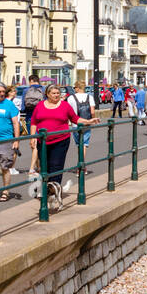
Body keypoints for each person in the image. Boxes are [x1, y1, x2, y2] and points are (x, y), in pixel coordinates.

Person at [29, 83, 99, 211]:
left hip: (60, 141)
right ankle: (46, 190)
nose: (57, 95)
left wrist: (88, 121)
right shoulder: (40, 105)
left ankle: (52, 194)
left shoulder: (65, 105)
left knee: (56, 167)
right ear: (47, 94)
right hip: (43, 141)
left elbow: (75, 119)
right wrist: (33, 137)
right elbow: (34, 122)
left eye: (58, 93)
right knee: (44, 167)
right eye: (54, 93)